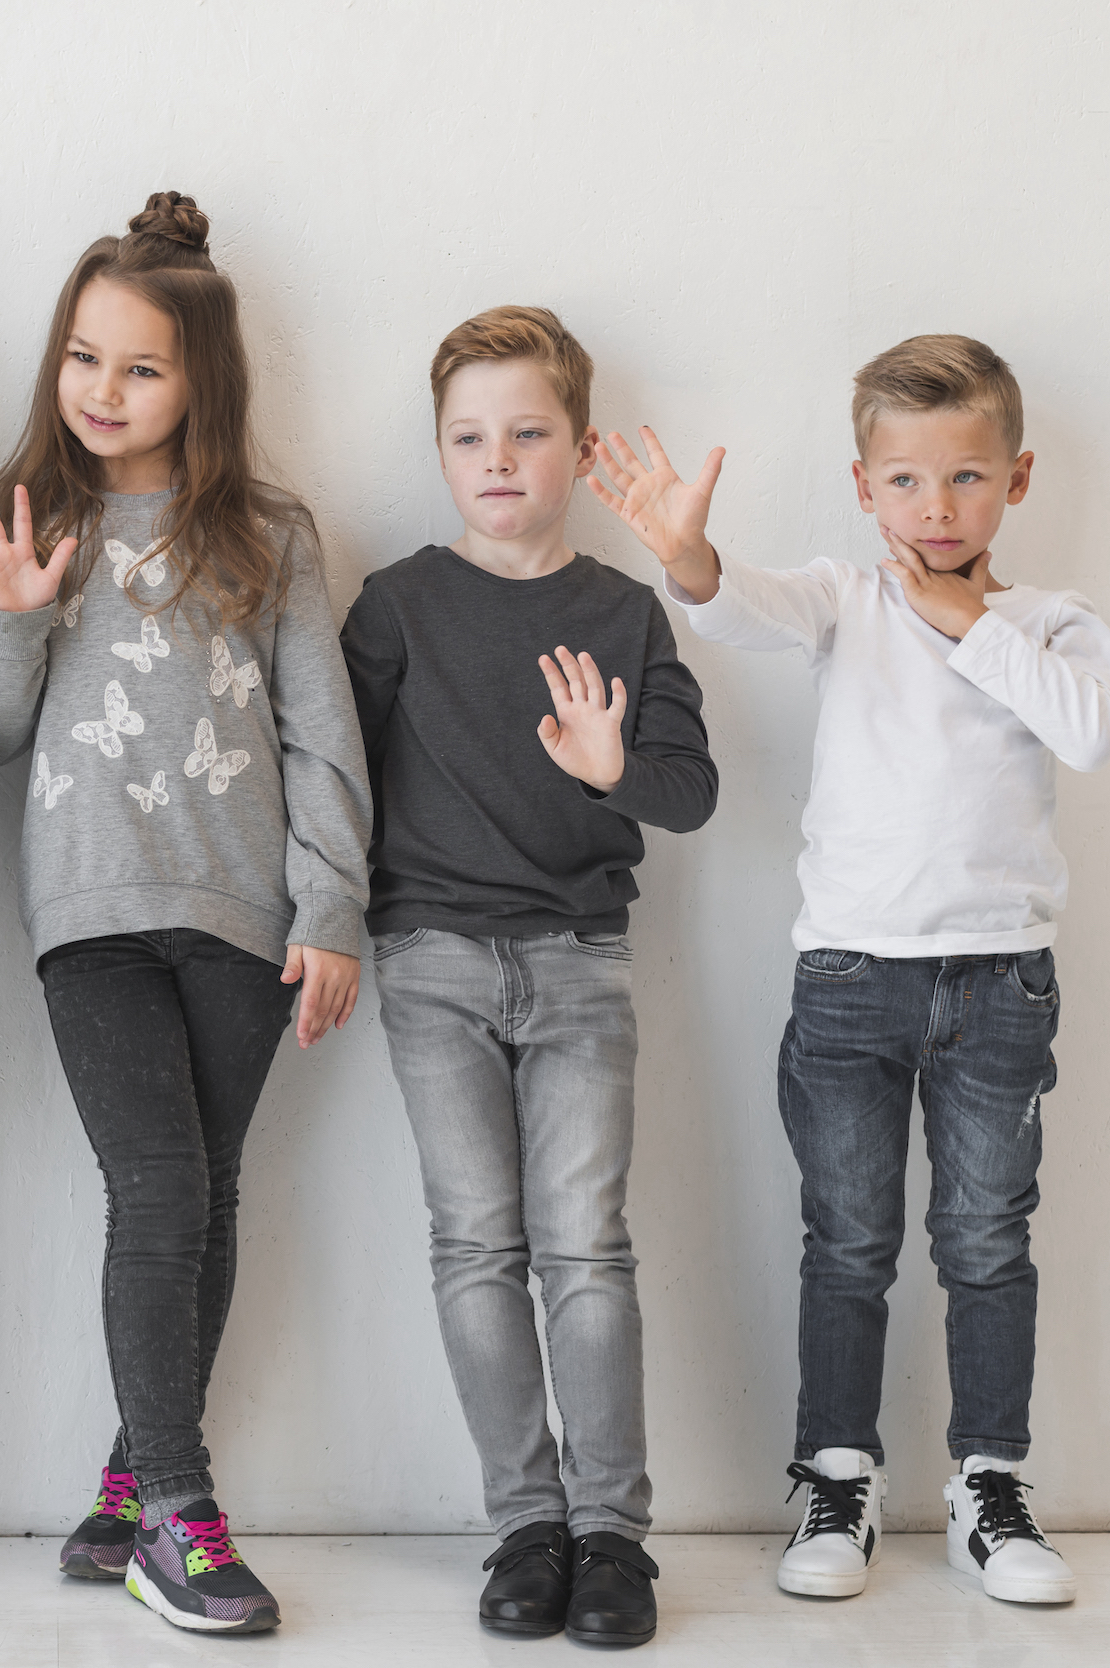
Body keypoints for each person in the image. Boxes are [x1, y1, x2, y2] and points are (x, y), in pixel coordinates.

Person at [590, 332, 1110, 1608]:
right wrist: (685, 556)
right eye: (903, 483)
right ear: (862, 484)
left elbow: (1090, 733)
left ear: (1017, 480)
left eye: (966, 479)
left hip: (999, 984)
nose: (934, 509)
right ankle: (838, 1479)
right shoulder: (846, 596)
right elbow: (736, 601)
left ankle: (990, 1485)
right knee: (847, 1243)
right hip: (848, 982)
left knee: (987, 1244)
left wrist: (968, 620)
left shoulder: (1052, 625)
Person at [0, 191, 371, 1637]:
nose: (103, 392)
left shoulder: (270, 534)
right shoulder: (29, 518)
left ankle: (129, 1489)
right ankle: (183, 1519)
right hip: (91, 916)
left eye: (140, 368)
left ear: (204, 383)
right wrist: (9, 614)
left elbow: (324, 737)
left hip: (247, 918)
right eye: (84, 358)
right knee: (161, 1190)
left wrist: (332, 907)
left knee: (211, 1193)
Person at [340, 305, 717, 1648]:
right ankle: (527, 1524)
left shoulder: (623, 614)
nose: (498, 459)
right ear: (441, 454)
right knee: (476, 1250)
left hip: (578, 967)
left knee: (585, 1249)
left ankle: (612, 1535)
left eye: (528, 433)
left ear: (578, 445)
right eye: (469, 438)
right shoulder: (393, 607)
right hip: (431, 962)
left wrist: (616, 773)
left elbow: (692, 792)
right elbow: (336, 781)